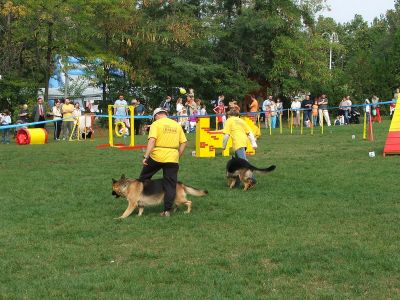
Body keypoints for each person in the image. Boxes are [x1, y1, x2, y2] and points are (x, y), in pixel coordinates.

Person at [139, 107, 187, 217]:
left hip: (157, 156)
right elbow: (184, 143)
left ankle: (142, 201)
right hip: (172, 157)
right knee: (170, 184)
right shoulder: (176, 124)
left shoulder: (156, 124)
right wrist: (178, 155)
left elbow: (152, 140)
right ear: (165, 114)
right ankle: (167, 211)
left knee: (143, 178)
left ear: (156, 116)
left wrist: (146, 156)